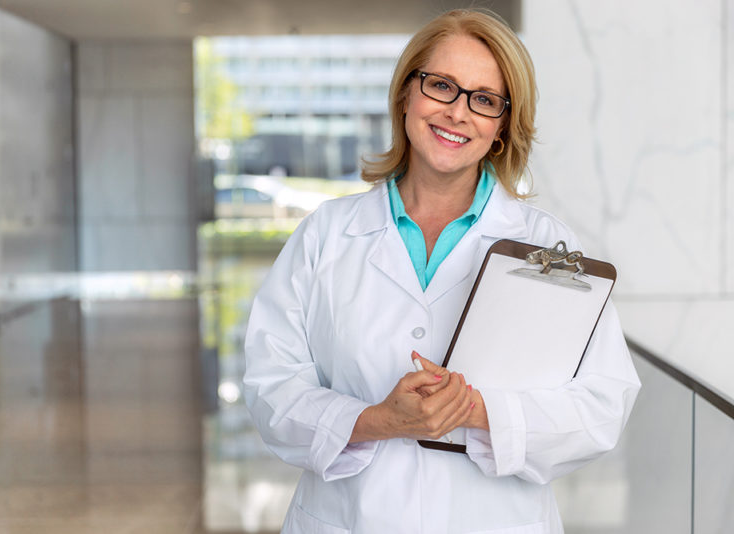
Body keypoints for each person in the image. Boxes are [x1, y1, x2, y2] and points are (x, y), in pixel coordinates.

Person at [243, 8, 640, 533]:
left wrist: (476, 411)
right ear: (407, 94)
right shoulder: (326, 235)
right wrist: (377, 420)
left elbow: (601, 404)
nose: (458, 112)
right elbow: (271, 384)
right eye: (441, 86)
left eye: (483, 99)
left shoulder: (545, 247)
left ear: (500, 126)